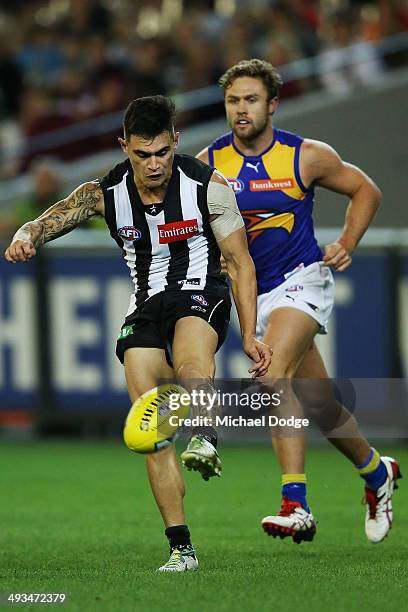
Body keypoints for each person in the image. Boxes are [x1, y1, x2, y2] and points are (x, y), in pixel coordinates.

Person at [4, 95, 270, 572]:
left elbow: (240, 263)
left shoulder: (209, 187)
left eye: (162, 153)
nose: (153, 165)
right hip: (146, 302)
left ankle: (205, 434)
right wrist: (26, 236)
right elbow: (47, 218)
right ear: (124, 146)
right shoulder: (104, 193)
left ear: (176, 142)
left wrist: (250, 335)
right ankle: (181, 548)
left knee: (191, 363)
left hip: (198, 289)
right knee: (149, 430)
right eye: (142, 154)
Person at [197, 59, 401, 544]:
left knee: (272, 372)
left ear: (272, 104)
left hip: (301, 280)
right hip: (254, 294)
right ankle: (377, 473)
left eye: (250, 100)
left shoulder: (304, 155)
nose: (241, 110)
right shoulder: (208, 163)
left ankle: (296, 504)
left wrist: (347, 242)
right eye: (232, 101)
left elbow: (365, 190)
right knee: (321, 405)